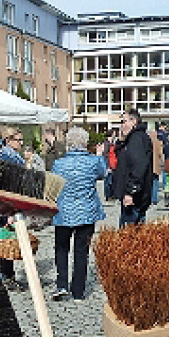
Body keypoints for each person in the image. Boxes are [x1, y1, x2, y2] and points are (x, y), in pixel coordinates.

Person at [50, 127, 106, 301]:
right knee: (81, 251)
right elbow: (103, 173)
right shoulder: (93, 162)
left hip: (63, 213)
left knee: (61, 249)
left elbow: (53, 184)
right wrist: (98, 155)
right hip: (86, 211)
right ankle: (78, 290)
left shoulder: (58, 164)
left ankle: (61, 285)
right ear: (85, 143)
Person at [0, 126, 28, 291]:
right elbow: (7, 187)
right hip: (7, 205)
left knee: (10, 239)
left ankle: (8, 275)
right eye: (18, 140)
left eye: (22, 140)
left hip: (7, 205)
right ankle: (6, 276)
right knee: (7, 240)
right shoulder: (8, 159)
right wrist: (9, 211)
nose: (21, 143)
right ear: (8, 141)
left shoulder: (9, 157)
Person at [112, 109, 153, 227]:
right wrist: (121, 141)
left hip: (135, 197)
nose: (122, 125)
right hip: (134, 195)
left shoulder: (137, 139)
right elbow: (122, 159)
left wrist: (130, 191)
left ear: (134, 121)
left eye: (124, 122)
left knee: (129, 235)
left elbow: (138, 167)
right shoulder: (132, 138)